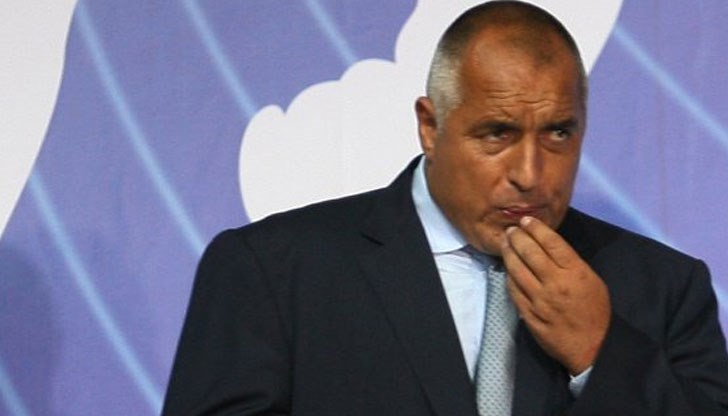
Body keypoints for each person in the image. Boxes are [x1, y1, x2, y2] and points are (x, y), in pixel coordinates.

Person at [162, 1, 728, 415]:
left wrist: (600, 355)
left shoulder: (664, 289)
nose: (531, 174)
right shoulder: (273, 272)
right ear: (430, 127)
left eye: (559, 132)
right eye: (498, 133)